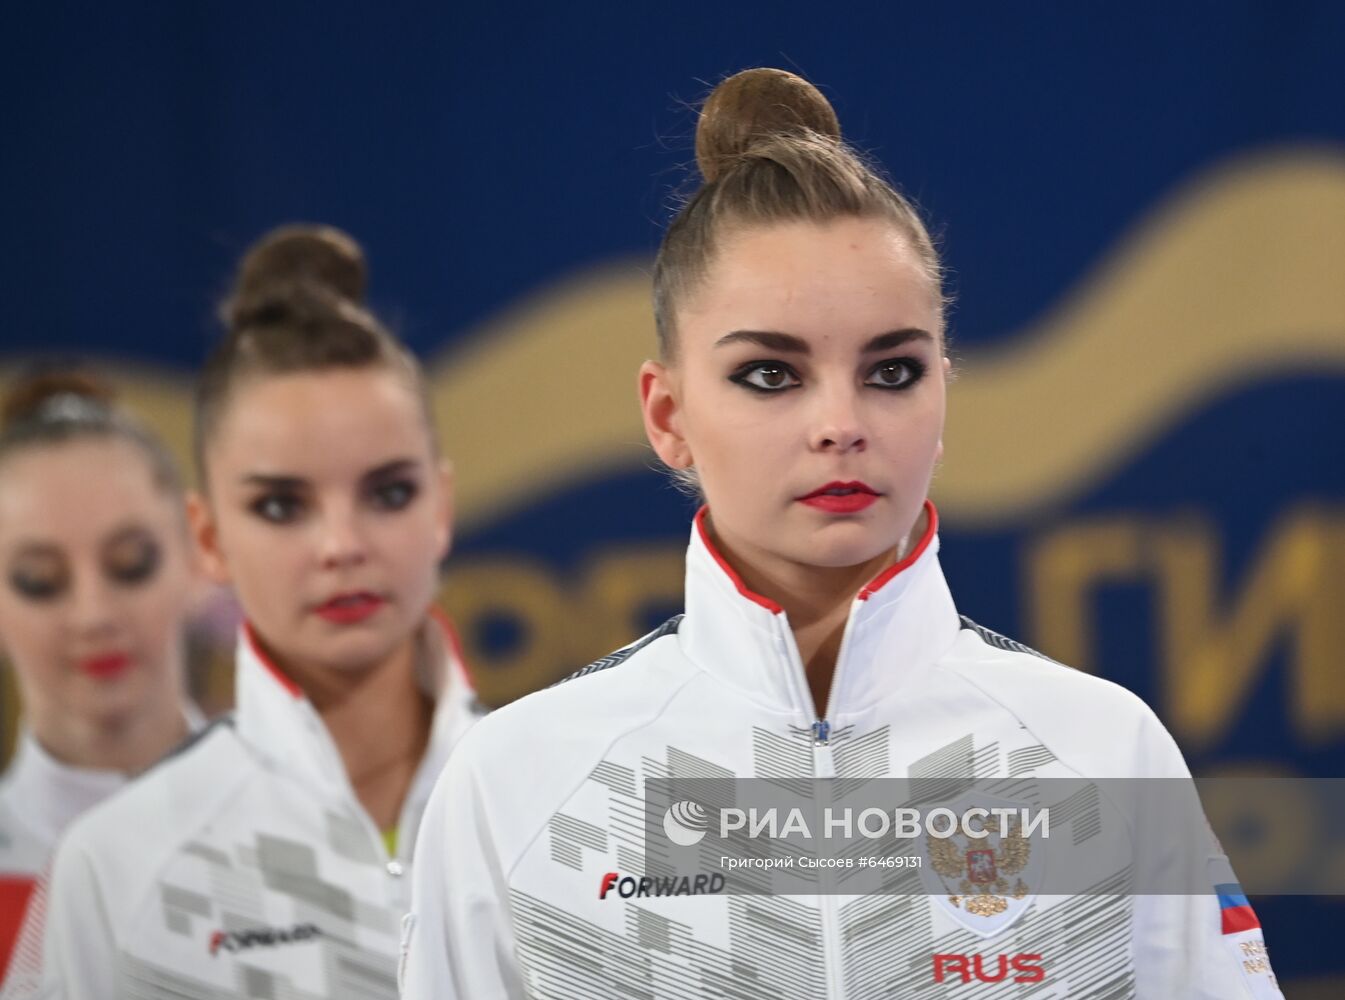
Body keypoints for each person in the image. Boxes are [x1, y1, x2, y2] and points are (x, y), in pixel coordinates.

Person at [401, 69, 1282, 998]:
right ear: (667, 414)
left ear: (942, 395)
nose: (840, 424)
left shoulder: (1102, 752)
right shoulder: (519, 782)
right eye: (770, 375)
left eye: (892, 371)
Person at [24, 226, 482, 999]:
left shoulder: (552, 795)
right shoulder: (117, 862)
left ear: (441, 506)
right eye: (280, 505)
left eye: (389, 493)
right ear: (206, 539)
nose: (341, 545)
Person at [0, 372, 202, 985]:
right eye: (40, 579)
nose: (94, 614)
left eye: (130, 565)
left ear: (200, 553)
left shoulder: (317, 822)